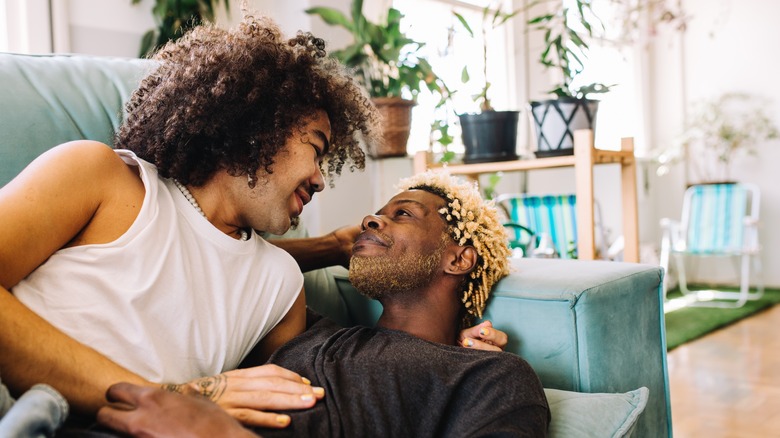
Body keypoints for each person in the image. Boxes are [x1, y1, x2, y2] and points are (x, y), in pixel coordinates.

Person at [0, 10, 506, 431]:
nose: (320, 179)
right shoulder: (105, 176)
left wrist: (449, 353)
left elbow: (330, 386)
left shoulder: (278, 284)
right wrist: (172, 396)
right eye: (315, 148)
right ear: (255, 127)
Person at [96, 172, 551, 437]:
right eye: (378, 212)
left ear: (458, 258)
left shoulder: (488, 375)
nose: (371, 218)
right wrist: (335, 246)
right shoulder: (304, 329)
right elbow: (225, 265)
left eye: (404, 213)